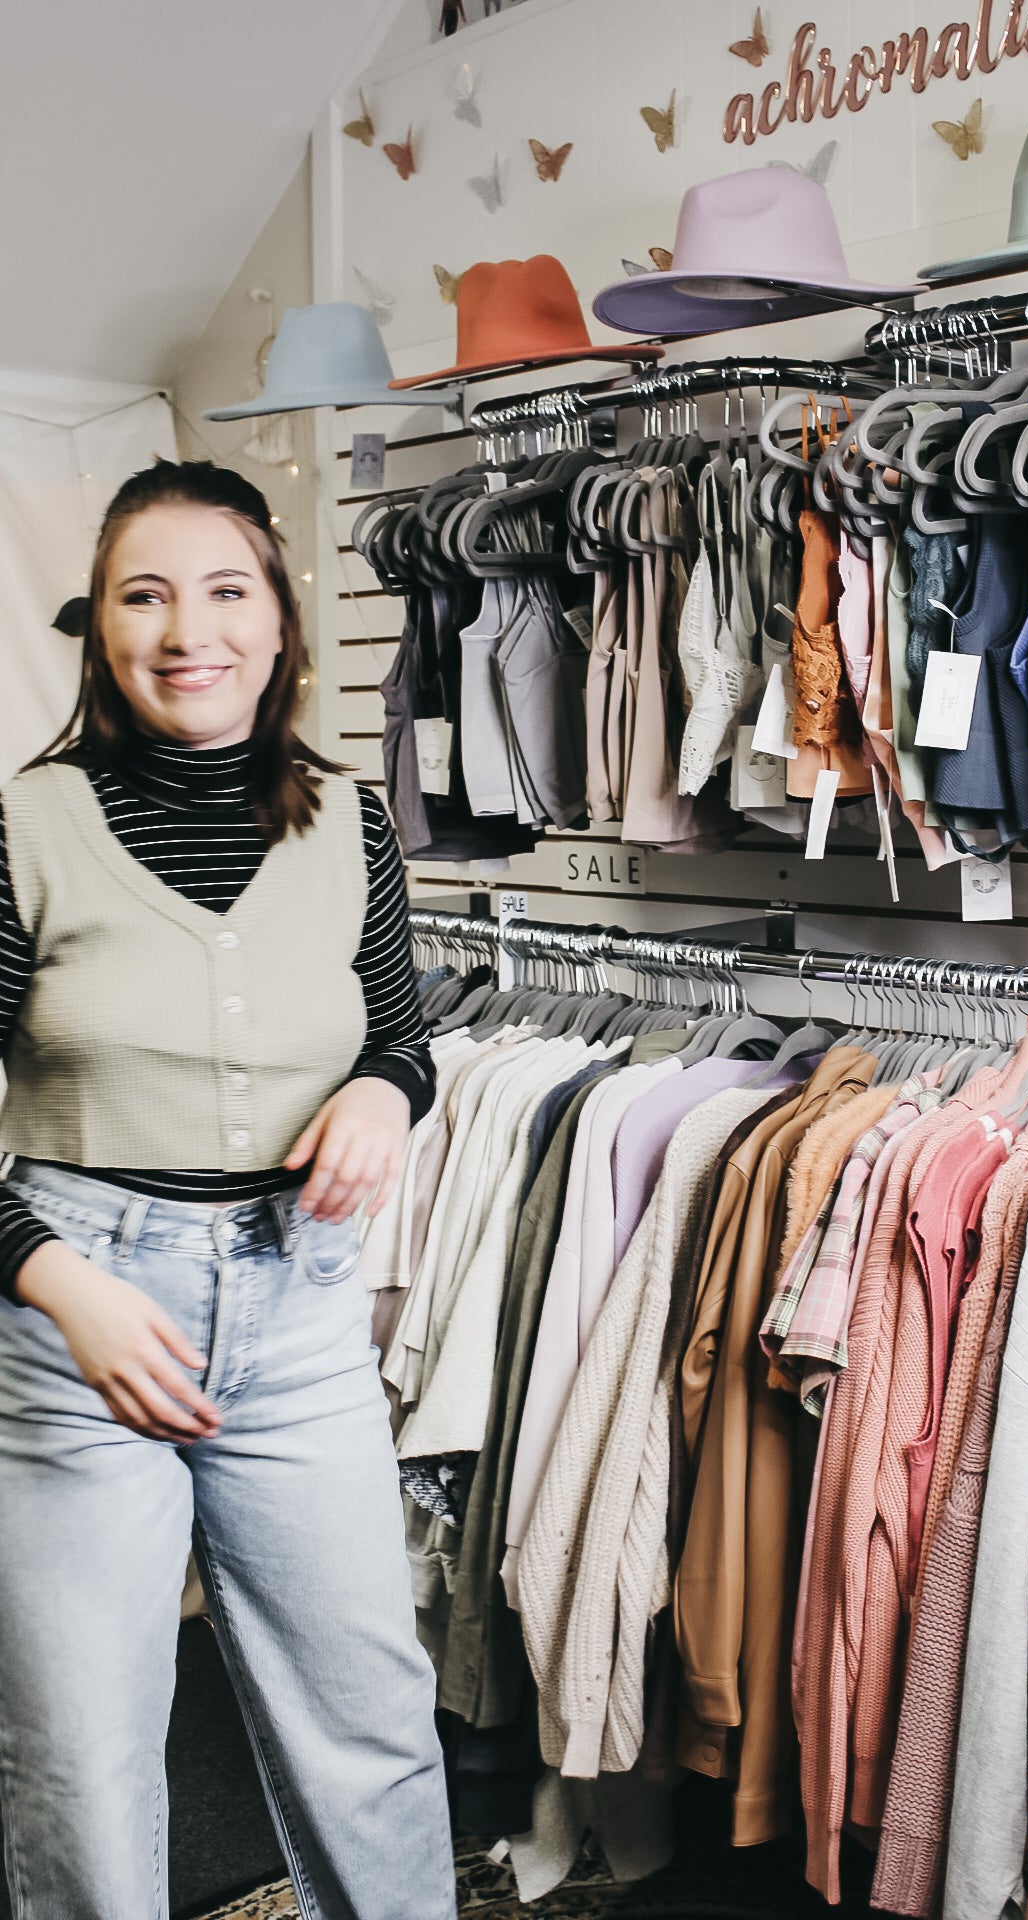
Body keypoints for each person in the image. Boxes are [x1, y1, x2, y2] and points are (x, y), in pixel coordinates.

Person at [0, 460, 457, 1919]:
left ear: (278, 623)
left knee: (370, 1723)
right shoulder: (27, 831)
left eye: (223, 589)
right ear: (101, 630)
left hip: (301, 1314)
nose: (186, 629)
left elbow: (400, 1035)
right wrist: (65, 1290)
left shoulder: (352, 825)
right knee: (80, 1750)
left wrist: (385, 1094)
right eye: (146, 594)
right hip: (82, 1323)